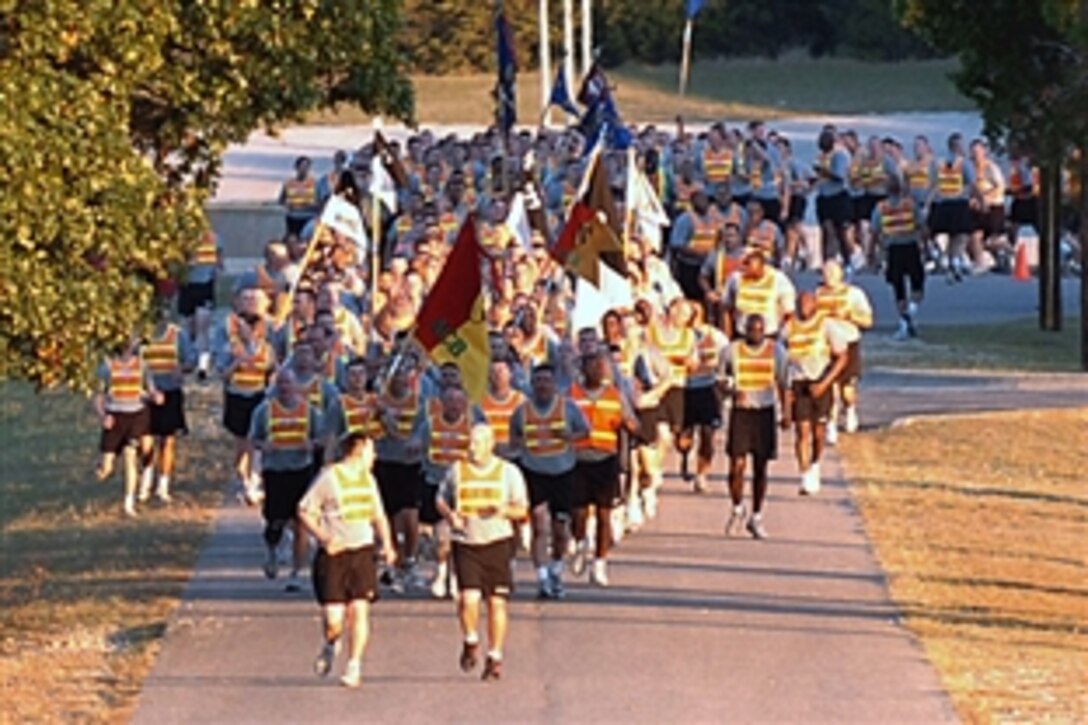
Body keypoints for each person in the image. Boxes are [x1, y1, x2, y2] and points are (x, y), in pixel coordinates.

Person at [299, 433, 396, 689]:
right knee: (334, 619)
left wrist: (387, 544)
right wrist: (324, 537)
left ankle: (354, 665)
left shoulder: (369, 480)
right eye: (371, 451)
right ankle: (331, 642)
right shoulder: (330, 477)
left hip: (362, 551)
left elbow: (379, 515)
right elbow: (305, 510)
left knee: (360, 609)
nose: (375, 456)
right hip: (334, 555)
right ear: (358, 450)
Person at [436, 424, 529, 682]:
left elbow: (522, 509)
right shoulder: (457, 470)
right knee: (468, 598)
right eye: (469, 443)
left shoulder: (508, 472)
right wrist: (450, 515)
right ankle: (470, 639)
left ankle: (495, 656)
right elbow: (441, 499)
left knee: (496, 602)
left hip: (497, 541)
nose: (471, 448)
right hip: (466, 541)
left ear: (491, 444)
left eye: (477, 443)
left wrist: (503, 510)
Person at [508, 363, 589, 599]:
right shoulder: (522, 411)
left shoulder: (568, 408)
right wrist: (516, 448)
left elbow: (585, 431)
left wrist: (569, 437)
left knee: (560, 528)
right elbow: (514, 436)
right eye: (538, 381)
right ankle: (542, 577)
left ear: (554, 384)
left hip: (563, 471)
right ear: (532, 384)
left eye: (547, 381)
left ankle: (556, 568)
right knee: (539, 524)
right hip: (534, 471)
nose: (542, 385)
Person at [247, 367, 323, 591]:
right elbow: (253, 439)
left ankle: (296, 572)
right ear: (274, 387)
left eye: (288, 384)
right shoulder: (264, 411)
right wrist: (263, 446)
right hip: (275, 471)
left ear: (296, 386)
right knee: (275, 521)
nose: (284, 388)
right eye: (280, 384)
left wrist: (312, 445)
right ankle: (272, 549)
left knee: (301, 521)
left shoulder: (309, 411)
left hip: (301, 469)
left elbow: (321, 437)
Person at [569, 350, 638, 586]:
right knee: (578, 512)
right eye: (595, 367)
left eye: (603, 367)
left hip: (606, 460)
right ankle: (579, 543)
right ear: (584, 370)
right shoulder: (571, 395)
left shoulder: (615, 396)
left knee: (604, 514)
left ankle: (600, 563)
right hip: (578, 459)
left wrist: (630, 425)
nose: (600, 371)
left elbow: (632, 423)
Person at [720, 314, 788, 540]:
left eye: (759, 330)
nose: (755, 334)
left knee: (761, 467)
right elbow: (719, 379)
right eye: (751, 330)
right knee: (736, 464)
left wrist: (786, 413)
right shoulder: (731, 350)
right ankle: (738, 506)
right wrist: (730, 392)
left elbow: (783, 382)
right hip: (742, 410)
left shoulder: (776, 351)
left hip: (765, 410)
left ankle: (757, 515)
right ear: (744, 330)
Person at [420, 384, 485, 599]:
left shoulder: (472, 427)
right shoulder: (430, 424)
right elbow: (419, 446)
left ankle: (457, 577)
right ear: (441, 404)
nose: (454, 406)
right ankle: (440, 572)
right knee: (441, 536)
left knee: (463, 535)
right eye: (450, 401)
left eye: (459, 401)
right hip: (435, 482)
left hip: (465, 487)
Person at [782, 292, 849, 495]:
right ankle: (804, 474)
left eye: (807, 303)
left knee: (818, 431)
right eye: (800, 304)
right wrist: (785, 394)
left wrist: (825, 382)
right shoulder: (788, 328)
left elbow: (842, 357)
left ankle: (815, 462)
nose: (803, 307)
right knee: (802, 430)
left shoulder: (826, 325)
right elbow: (782, 358)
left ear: (814, 305)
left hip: (820, 380)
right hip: (799, 382)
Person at [95, 336, 162, 517]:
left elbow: (150, 389)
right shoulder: (107, 366)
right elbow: (99, 396)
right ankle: (102, 467)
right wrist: (103, 416)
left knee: (130, 456)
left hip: (136, 415)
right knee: (106, 469)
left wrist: (155, 396)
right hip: (115, 416)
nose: (131, 346)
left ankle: (129, 502)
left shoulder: (142, 365)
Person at [143, 304, 196, 504]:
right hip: (147, 395)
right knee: (146, 439)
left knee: (168, 440)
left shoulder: (177, 335)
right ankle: (147, 475)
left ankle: (163, 484)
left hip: (171, 392)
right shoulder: (141, 337)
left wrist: (182, 369)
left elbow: (191, 359)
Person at [815, 261, 873, 441]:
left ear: (841, 274)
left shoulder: (854, 294)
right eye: (826, 272)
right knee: (829, 386)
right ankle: (830, 425)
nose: (829, 276)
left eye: (833, 272)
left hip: (848, 342)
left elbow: (868, 321)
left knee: (846, 388)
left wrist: (849, 315)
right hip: (825, 346)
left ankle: (849, 409)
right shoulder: (817, 295)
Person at [871, 176, 926, 340]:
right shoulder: (911, 205)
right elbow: (922, 226)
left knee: (898, 287)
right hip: (910, 246)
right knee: (918, 285)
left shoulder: (881, 208)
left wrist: (871, 253)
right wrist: (927, 247)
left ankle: (903, 320)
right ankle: (911, 311)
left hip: (893, 249)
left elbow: (875, 231)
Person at [926, 133, 975, 283]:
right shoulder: (964, 163)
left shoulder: (938, 163)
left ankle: (946, 259)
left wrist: (928, 204)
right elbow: (972, 183)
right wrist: (980, 199)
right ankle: (954, 260)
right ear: (958, 147)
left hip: (942, 203)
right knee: (960, 235)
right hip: (959, 203)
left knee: (941, 233)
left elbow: (932, 185)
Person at [721, 245, 796, 341]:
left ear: (760, 263)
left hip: (769, 335)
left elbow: (789, 313)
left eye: (748, 263)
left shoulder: (778, 279)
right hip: (742, 334)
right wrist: (727, 336)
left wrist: (781, 336)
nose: (744, 266)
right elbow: (725, 307)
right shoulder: (735, 278)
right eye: (744, 262)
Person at [177, 231, 220, 380]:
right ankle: (189, 359)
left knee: (202, 325)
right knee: (188, 327)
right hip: (186, 285)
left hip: (204, 285)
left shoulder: (212, 237)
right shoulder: (181, 237)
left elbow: (218, 259)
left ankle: (203, 365)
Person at [280, 155, 320, 235]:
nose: (304, 169)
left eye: (307, 167)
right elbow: (281, 200)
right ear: (296, 168)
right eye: (302, 166)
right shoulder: (289, 183)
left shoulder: (314, 183)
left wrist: (309, 206)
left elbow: (319, 202)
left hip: (308, 217)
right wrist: (287, 204)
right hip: (293, 217)